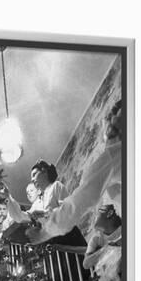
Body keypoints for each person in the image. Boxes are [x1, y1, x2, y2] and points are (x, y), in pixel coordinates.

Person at [27, 100, 122, 245]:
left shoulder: (113, 156)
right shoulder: (115, 167)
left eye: (34, 174)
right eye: (108, 119)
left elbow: (78, 201)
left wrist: (43, 233)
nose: (109, 122)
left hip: (63, 232)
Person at [4, 160, 86, 247]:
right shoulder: (37, 203)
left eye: (34, 174)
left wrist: (44, 214)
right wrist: (7, 196)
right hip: (54, 241)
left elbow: (67, 210)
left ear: (44, 171)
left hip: (69, 234)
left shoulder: (56, 186)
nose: (32, 179)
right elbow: (20, 217)